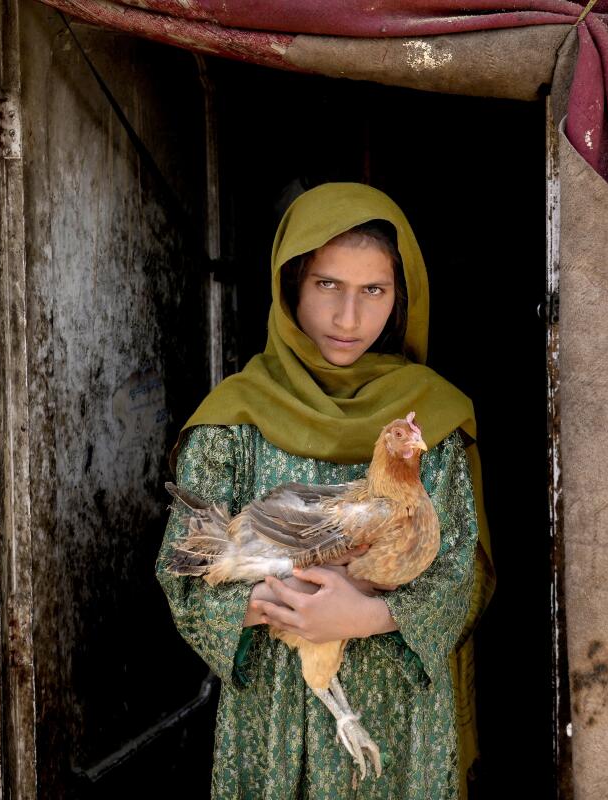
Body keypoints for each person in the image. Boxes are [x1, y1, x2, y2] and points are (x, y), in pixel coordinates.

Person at [155, 182, 494, 799]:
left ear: (401, 298)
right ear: (290, 288)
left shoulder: (431, 422)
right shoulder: (234, 419)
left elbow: (462, 574)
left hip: (397, 723)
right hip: (272, 715)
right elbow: (183, 571)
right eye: (327, 285)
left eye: (374, 291)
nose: (348, 318)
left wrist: (367, 614)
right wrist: (264, 603)